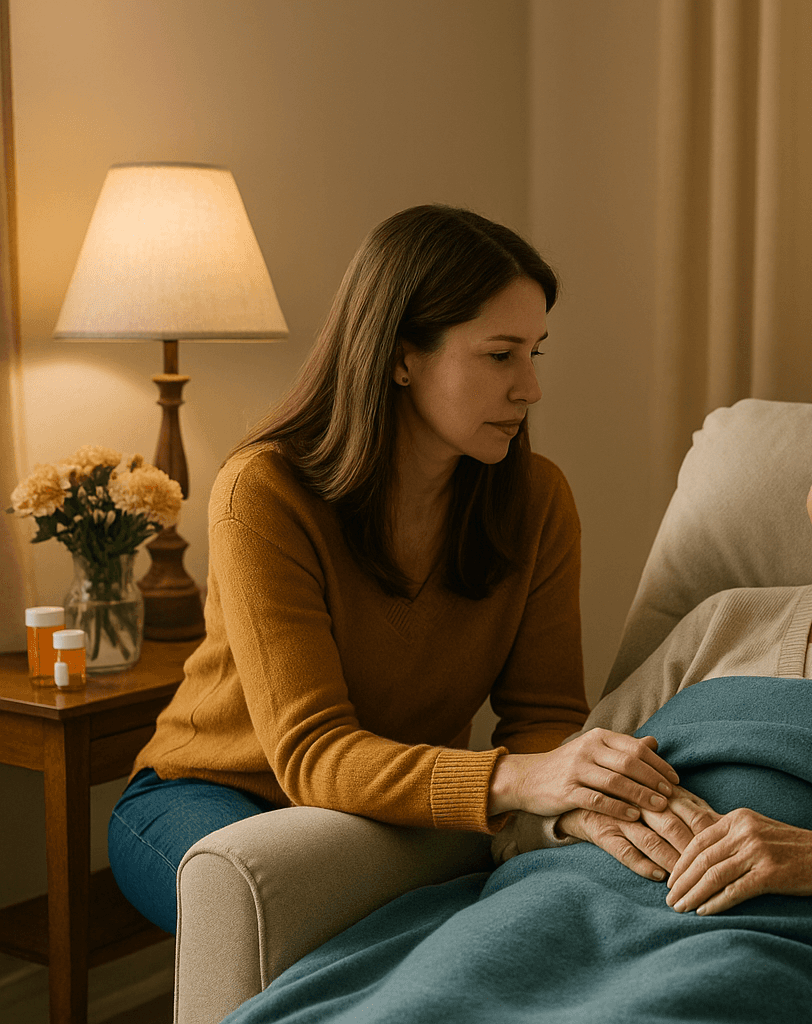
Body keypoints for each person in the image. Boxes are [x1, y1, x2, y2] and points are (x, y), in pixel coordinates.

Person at [219, 357, 812, 1024]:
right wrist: (578, 822)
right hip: (572, 898)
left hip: (779, 933)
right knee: (419, 1002)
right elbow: (557, 784)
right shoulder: (724, 619)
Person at [109, 205, 678, 934]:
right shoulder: (263, 491)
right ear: (402, 355)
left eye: (535, 353)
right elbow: (313, 754)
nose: (530, 388)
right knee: (290, 911)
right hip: (211, 791)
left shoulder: (537, 499)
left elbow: (543, 717)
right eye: (500, 355)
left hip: (382, 797)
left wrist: (572, 799)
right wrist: (515, 779)